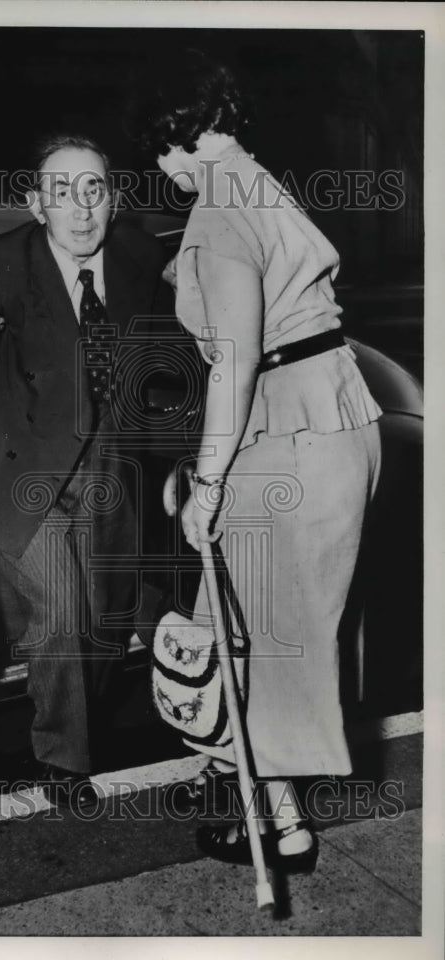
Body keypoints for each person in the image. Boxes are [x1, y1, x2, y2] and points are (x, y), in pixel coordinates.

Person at [134, 52, 382, 870]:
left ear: (179, 137)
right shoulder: (259, 185)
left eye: (155, 150)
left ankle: (267, 820)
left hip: (283, 428)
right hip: (336, 415)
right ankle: (278, 817)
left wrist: (206, 481)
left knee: (251, 635)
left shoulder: (216, 211)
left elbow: (235, 361)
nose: (157, 169)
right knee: (269, 631)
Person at [0, 135, 175, 810]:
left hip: (108, 465)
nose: (80, 207)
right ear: (36, 203)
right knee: (61, 616)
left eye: (93, 188)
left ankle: (81, 719)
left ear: (113, 197)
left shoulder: (138, 256)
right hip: (16, 467)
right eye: (61, 191)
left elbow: (160, 361)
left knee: (103, 617)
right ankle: (64, 761)